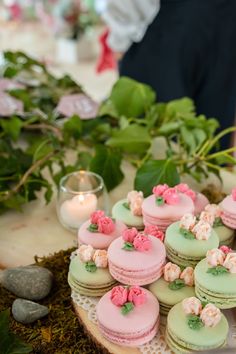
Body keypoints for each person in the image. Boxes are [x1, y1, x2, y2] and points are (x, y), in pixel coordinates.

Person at [102, 0, 236, 149]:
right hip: (170, 29)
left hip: (212, 26)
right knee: (155, 136)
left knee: (206, 140)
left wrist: (121, 38)